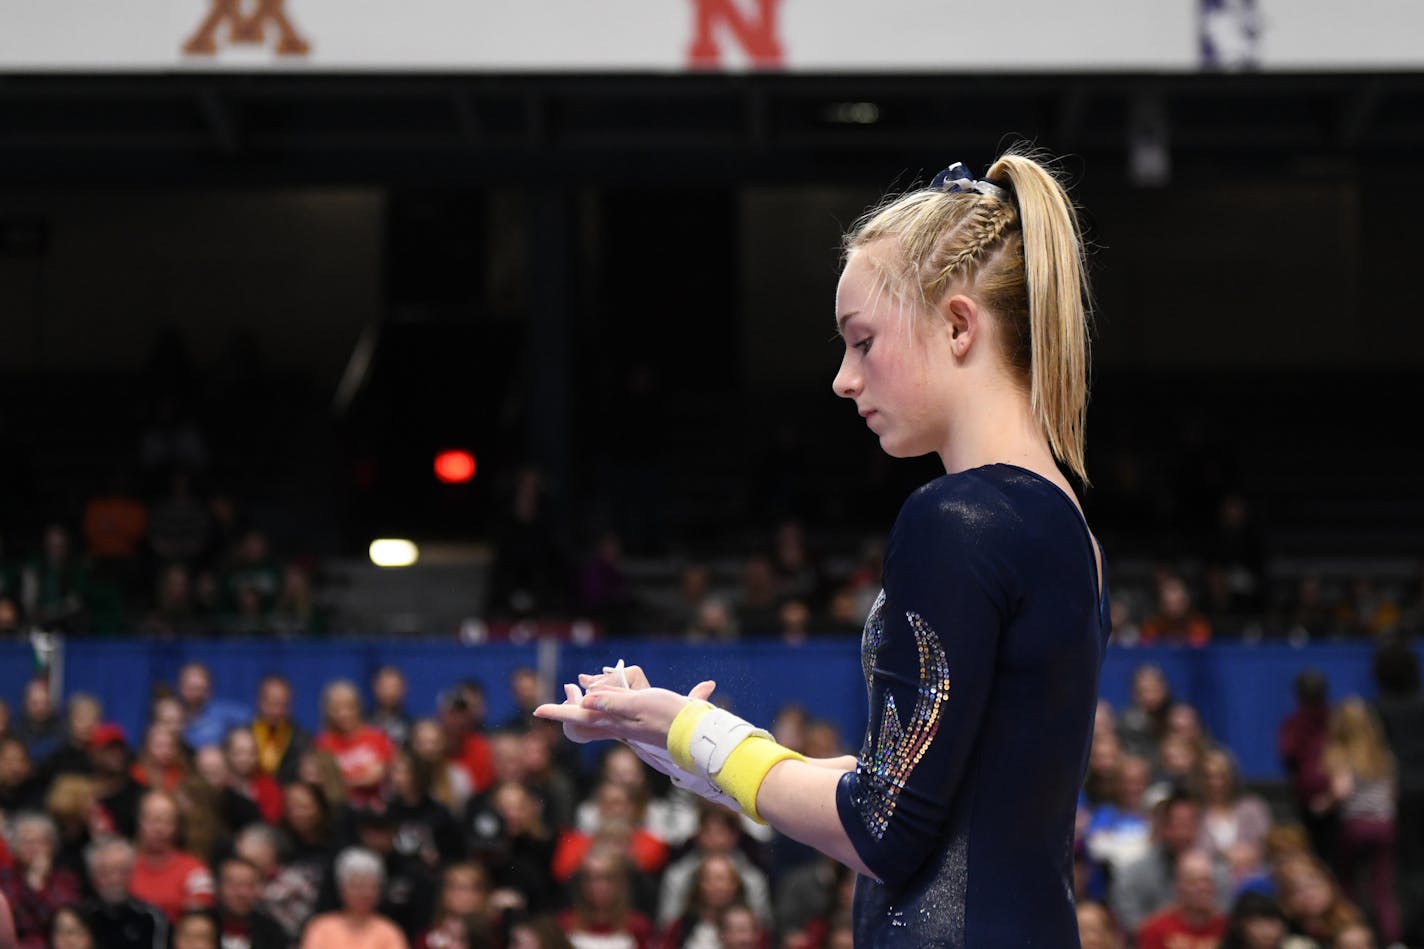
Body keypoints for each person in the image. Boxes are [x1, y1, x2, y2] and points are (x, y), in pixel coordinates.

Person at [538, 150, 1108, 945]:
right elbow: (927, 796)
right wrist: (682, 739)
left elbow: (882, 827)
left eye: (862, 341)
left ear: (956, 324)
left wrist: (692, 735)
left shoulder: (957, 519)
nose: (843, 378)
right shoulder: (1064, 523)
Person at [300, 847, 409, 949]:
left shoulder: (389, 931)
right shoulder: (321, 928)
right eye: (357, 886)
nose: (363, 893)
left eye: (370, 886)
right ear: (342, 888)